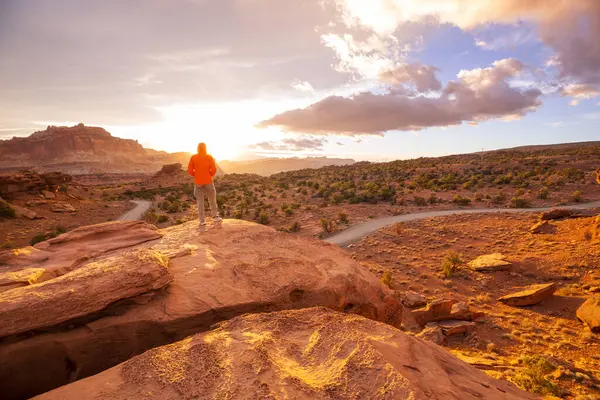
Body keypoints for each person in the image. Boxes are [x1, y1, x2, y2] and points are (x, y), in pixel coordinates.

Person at [187, 143, 221, 227]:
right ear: (205, 148)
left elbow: (190, 170)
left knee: (200, 202)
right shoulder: (209, 156)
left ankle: (202, 221)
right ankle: (215, 217)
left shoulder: (193, 157)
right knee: (212, 199)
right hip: (208, 181)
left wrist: (196, 175)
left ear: (197, 148)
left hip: (198, 182)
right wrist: (209, 174)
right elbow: (214, 169)